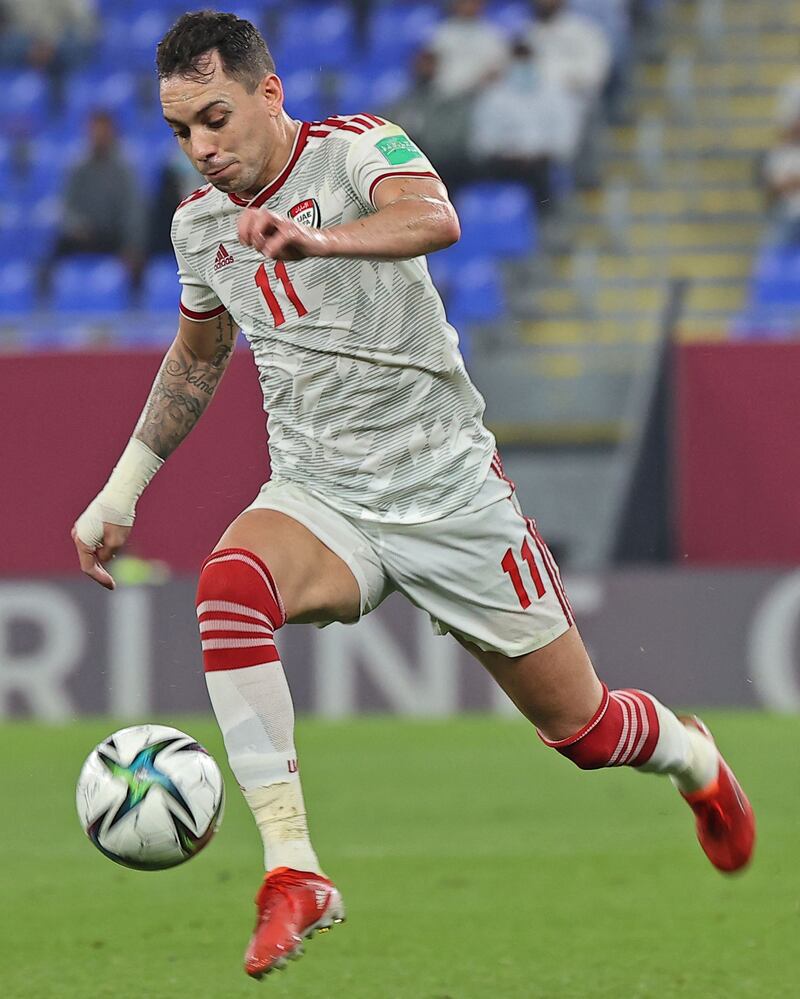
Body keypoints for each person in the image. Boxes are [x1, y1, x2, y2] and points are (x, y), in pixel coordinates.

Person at [72, 11, 755, 982]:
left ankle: (693, 760)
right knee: (229, 587)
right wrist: (120, 491)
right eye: (182, 131)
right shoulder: (199, 228)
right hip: (321, 492)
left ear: (269, 94)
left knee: (587, 733)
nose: (203, 147)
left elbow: (434, 220)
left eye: (216, 117)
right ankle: (293, 870)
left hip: (447, 494)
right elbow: (196, 360)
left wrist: (318, 246)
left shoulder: (356, 150)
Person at [46, 109, 144, 288]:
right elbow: (66, 207)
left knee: (139, 259)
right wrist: (76, 225)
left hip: (113, 236)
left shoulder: (124, 169)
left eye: (104, 131)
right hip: (83, 235)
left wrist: (132, 245)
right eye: (95, 131)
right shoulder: (77, 167)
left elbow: (133, 211)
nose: (99, 136)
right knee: (49, 255)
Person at [427, 0, 509, 99]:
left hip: (479, 95)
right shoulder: (442, 31)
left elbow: (498, 68)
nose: (469, 7)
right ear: (457, 5)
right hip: (445, 92)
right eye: (465, 3)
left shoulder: (493, 34)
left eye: (474, 3)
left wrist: (476, 85)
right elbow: (430, 63)